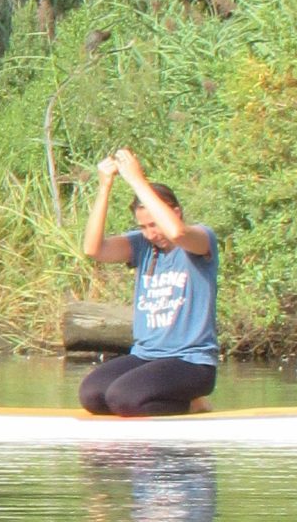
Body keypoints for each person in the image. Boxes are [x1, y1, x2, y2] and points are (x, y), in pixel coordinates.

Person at [77, 147, 219, 416]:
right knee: (92, 395)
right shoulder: (142, 246)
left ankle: (193, 404)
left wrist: (136, 180)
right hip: (146, 356)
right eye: (143, 227)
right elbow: (93, 249)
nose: (151, 234)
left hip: (191, 362)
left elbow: (176, 233)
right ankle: (171, 406)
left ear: (176, 212)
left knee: (123, 398)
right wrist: (105, 186)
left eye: (154, 224)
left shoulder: (200, 239)